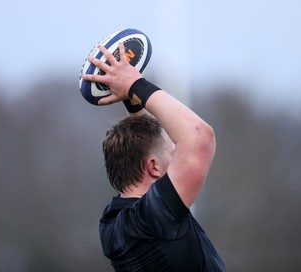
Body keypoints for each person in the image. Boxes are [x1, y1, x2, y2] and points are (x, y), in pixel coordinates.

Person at [82, 43, 226, 272]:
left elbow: (152, 138)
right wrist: (135, 84)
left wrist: (131, 96)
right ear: (153, 167)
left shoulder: (113, 221)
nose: (178, 156)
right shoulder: (151, 220)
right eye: (173, 154)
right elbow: (200, 137)